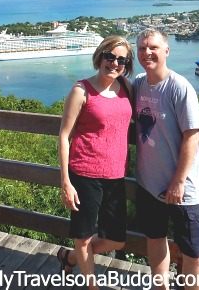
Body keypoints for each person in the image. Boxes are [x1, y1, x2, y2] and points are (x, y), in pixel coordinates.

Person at [57, 35, 134, 290]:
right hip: (85, 173)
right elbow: (64, 135)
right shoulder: (81, 91)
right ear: (100, 56)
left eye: (121, 60)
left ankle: (68, 257)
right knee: (84, 236)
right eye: (109, 56)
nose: (114, 63)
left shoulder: (126, 87)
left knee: (116, 240)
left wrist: (187, 127)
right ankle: (92, 285)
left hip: (115, 175)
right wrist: (66, 182)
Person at [133, 28, 199, 290]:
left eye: (152, 47)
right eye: (141, 48)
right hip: (148, 183)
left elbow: (191, 138)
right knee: (155, 239)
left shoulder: (179, 87)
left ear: (166, 50)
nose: (146, 52)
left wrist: (178, 182)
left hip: (181, 189)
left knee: (192, 252)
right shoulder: (139, 84)